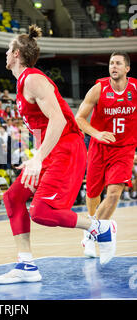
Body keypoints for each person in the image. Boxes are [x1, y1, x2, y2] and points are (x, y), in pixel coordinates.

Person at [0, 25, 117, 285]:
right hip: (52, 152)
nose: (5, 53)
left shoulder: (33, 79)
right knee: (13, 197)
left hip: (68, 149)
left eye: (8, 49)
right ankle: (26, 265)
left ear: (16, 53)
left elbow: (58, 120)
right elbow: (43, 126)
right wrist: (36, 158)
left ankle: (100, 228)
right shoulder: (22, 82)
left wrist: (38, 158)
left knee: (41, 211)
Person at [75, 51, 137, 258]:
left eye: (118, 63)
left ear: (127, 69)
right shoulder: (98, 89)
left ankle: (93, 234)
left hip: (124, 148)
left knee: (114, 193)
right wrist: (96, 133)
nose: (114, 66)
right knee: (93, 194)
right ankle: (93, 229)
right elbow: (80, 119)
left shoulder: (135, 89)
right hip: (99, 147)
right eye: (111, 63)